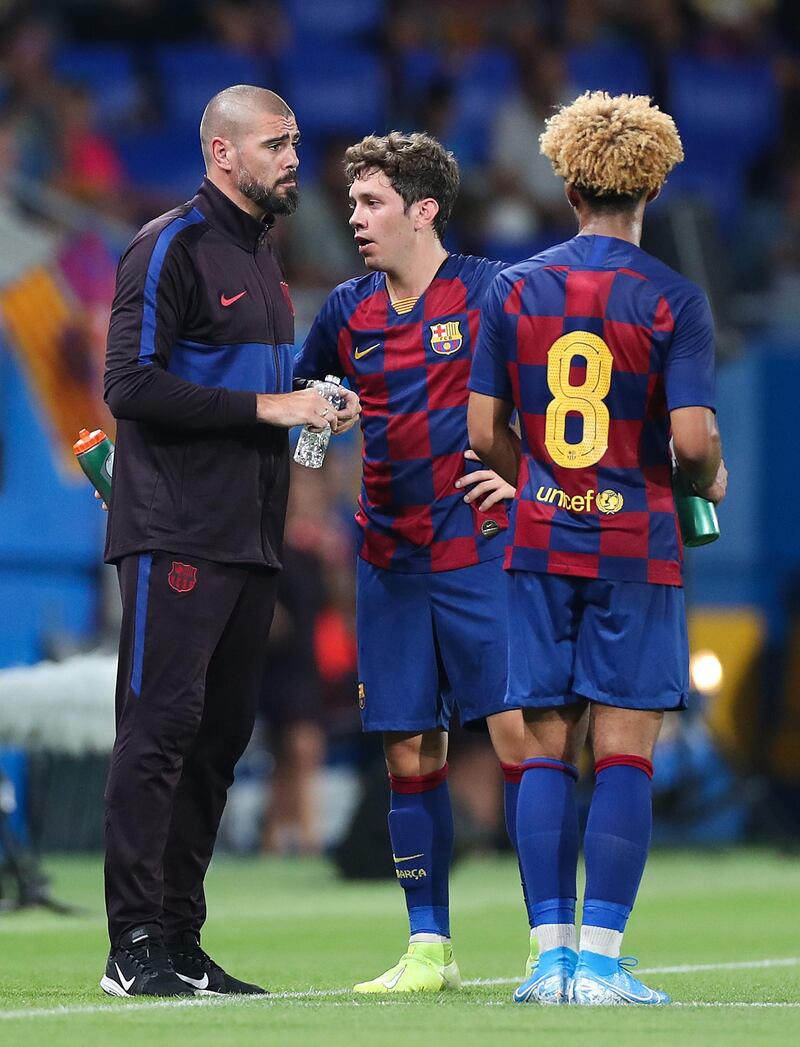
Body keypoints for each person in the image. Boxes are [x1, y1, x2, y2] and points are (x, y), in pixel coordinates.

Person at [468, 91, 728, 1006]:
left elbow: (481, 429)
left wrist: (541, 476)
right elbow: (691, 443)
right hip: (635, 544)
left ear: (566, 183)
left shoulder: (512, 287)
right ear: (651, 183)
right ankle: (603, 965)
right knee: (623, 750)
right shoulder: (675, 299)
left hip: (541, 538)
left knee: (544, 747)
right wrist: (708, 475)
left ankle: (545, 960)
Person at [100, 84, 359, 998]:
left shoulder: (263, 259)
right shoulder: (168, 243)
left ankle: (178, 937)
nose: (295, 157)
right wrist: (270, 404)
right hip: (176, 530)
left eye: (296, 141)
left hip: (254, 538)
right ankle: (130, 942)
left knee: (218, 741)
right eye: (278, 143)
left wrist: (316, 411)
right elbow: (127, 386)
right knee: (158, 733)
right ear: (223, 153)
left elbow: (270, 405)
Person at [294, 131, 535, 994]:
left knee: (518, 736)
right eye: (353, 202)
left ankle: (551, 940)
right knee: (407, 751)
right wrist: (318, 430)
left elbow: (554, 402)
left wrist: (529, 486)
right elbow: (306, 410)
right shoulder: (345, 311)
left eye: (372, 203)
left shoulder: (491, 292)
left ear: (422, 209)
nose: (354, 218)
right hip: (388, 560)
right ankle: (428, 945)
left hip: (480, 553)